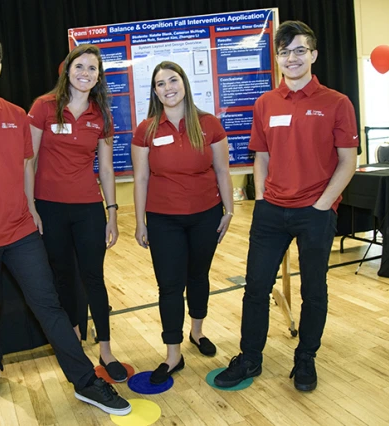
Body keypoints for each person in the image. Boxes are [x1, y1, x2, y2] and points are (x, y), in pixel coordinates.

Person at [0, 29, 130, 415]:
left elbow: (25, 167)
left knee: (48, 305)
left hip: (20, 232)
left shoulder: (16, 115)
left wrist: (28, 208)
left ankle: (86, 382)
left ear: (1, 65)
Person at [214, 20, 358, 392]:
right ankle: (250, 358)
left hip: (316, 213)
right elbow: (260, 156)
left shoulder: (337, 102)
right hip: (271, 212)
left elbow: (348, 160)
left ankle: (305, 358)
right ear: (276, 57)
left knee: (314, 290)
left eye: (299, 50)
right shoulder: (266, 103)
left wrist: (323, 204)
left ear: (313, 54)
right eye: (284, 51)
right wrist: (262, 198)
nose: (291, 58)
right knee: (256, 288)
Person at [26, 44, 127, 382]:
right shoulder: (43, 107)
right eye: (80, 66)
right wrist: (30, 206)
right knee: (63, 276)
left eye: (92, 69)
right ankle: (73, 342)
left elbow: (108, 168)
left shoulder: (102, 114)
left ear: (99, 76)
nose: (85, 73)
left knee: (93, 277)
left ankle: (106, 348)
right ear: (67, 69)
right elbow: (29, 160)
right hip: (50, 207)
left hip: (87, 208)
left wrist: (112, 211)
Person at [131, 61, 234, 384]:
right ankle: (172, 354)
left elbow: (222, 171)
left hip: (206, 215)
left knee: (198, 276)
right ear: (155, 92)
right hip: (163, 220)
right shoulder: (145, 129)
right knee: (170, 285)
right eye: (160, 84)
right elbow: (141, 178)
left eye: (172, 80)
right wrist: (140, 221)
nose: (168, 88)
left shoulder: (209, 124)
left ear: (184, 83)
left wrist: (229, 210)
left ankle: (198, 332)